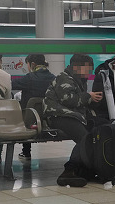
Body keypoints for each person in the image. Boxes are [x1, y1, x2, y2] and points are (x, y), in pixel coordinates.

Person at [44, 54, 103, 187]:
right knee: (84, 138)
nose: (90, 71)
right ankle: (68, 172)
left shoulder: (78, 80)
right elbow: (68, 99)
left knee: (94, 134)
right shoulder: (64, 78)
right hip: (58, 116)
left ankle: (84, 170)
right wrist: (88, 96)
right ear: (76, 67)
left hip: (73, 116)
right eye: (87, 68)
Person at [12, 54, 55, 161]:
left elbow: (11, 84)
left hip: (30, 120)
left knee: (24, 111)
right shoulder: (54, 78)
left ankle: (26, 151)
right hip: (49, 118)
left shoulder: (29, 78)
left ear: (32, 64)